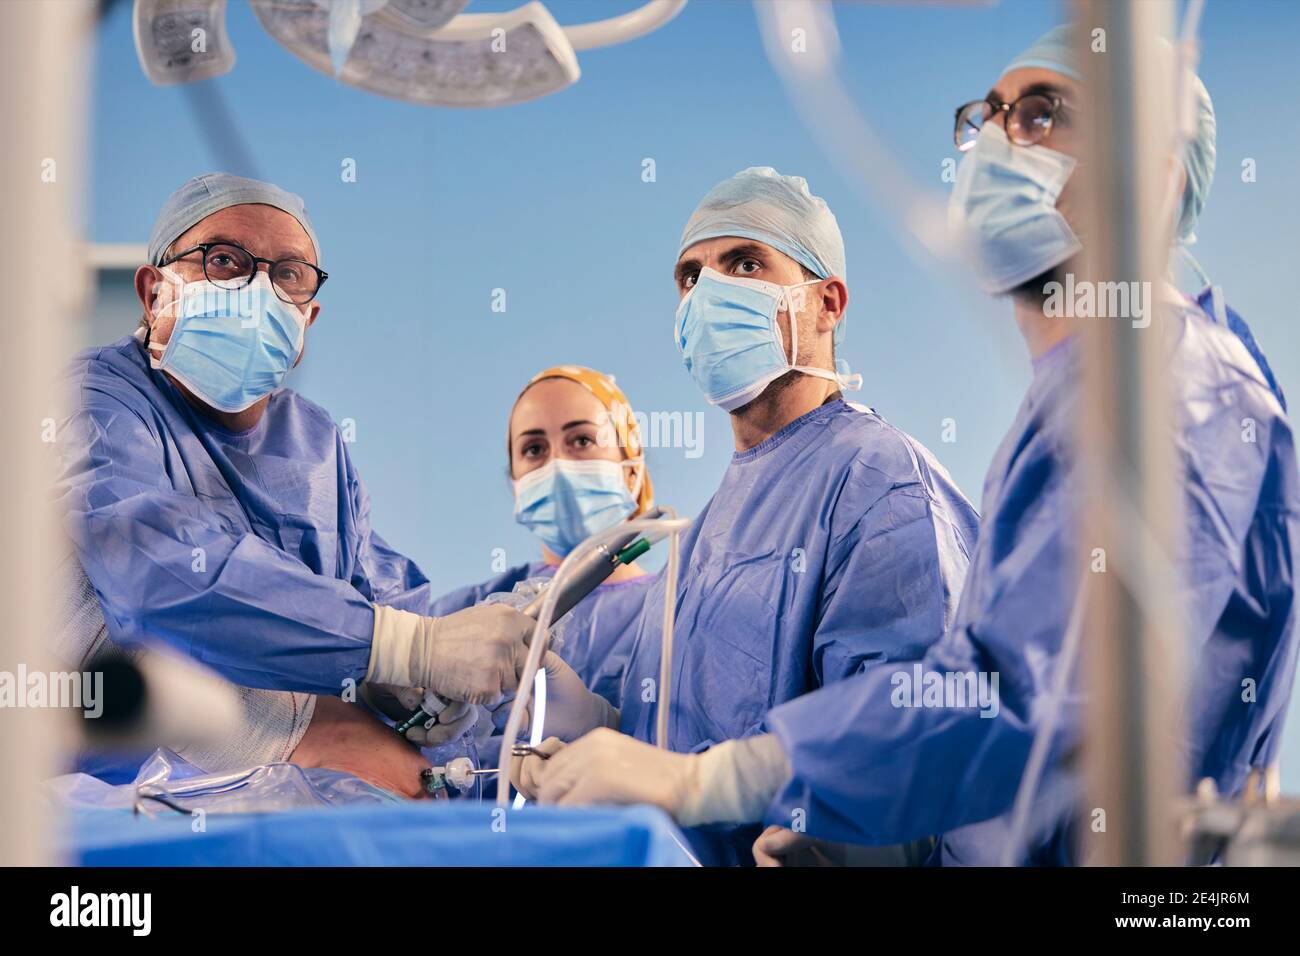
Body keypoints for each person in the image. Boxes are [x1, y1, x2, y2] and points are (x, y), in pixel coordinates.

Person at [516, 27, 1300, 867]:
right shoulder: (1075, 406)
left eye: (1042, 115)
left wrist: (718, 783)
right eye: (988, 116)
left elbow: (1028, 690)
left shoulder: (1180, 389)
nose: (998, 141)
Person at [514, 167, 982, 865]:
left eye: (744, 263)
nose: (709, 293)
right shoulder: (699, 541)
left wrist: (827, 845)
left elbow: (912, 737)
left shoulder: (877, 478)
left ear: (828, 303)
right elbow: (684, 752)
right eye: (690, 276)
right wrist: (599, 734)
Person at [51, 173, 537, 795]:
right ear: (153, 293)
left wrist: (455, 697)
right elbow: (155, 570)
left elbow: (379, 595)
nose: (256, 290)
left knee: (436, 784)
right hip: (103, 775)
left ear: (306, 318)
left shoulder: (314, 441)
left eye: (287, 274)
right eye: (223, 261)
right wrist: (399, 647)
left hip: (274, 785)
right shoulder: (92, 397)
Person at [427, 365, 657, 708]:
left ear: (632, 471)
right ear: (515, 483)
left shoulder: (672, 610)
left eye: (582, 440)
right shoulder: (469, 612)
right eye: (534, 449)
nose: (558, 466)